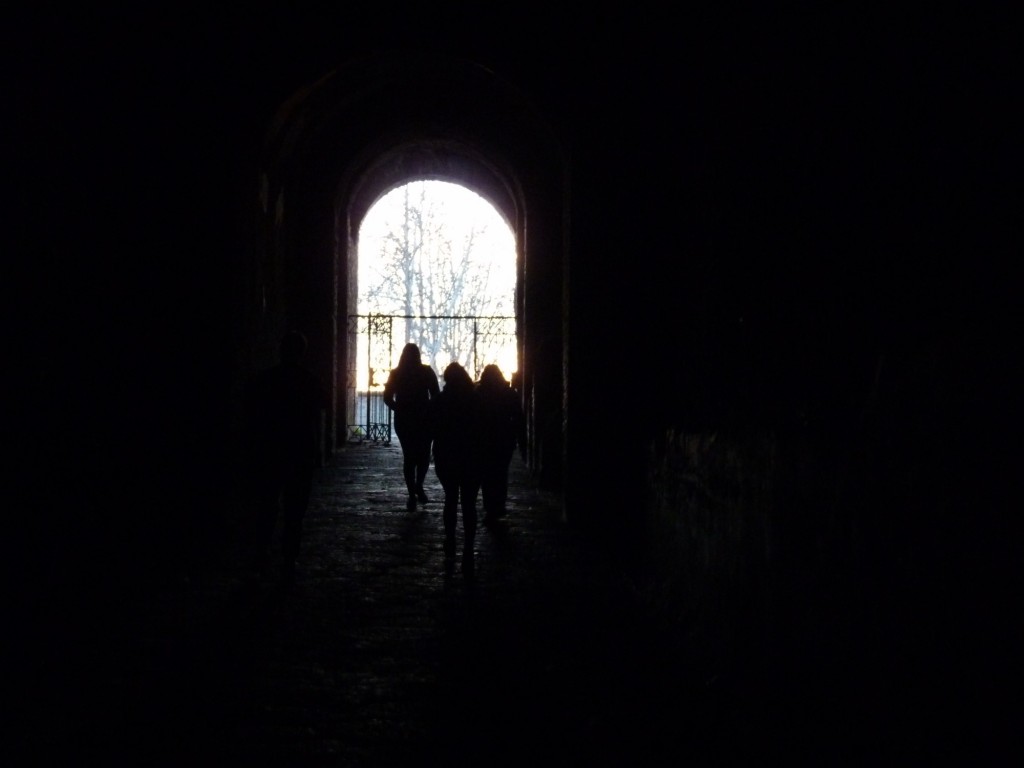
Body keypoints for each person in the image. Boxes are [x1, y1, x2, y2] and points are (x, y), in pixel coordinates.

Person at [245, 330, 326, 584]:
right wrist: (318, 450)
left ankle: (261, 554)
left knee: (266, 505)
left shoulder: (265, 380)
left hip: (270, 451)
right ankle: (289, 558)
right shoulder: (309, 381)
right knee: (295, 511)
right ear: (302, 353)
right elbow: (318, 413)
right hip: (299, 451)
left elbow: (253, 416)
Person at [431, 362, 481, 572]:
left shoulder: (440, 401)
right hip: (471, 455)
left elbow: (431, 427)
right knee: (469, 503)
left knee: (450, 498)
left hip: (447, 454)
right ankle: (468, 548)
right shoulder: (476, 400)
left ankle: (450, 540)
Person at [383, 342, 440, 511]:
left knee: (409, 457)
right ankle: (418, 486)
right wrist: (428, 409)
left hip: (404, 420)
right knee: (423, 456)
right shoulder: (426, 371)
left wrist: (399, 409)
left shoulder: (396, 373)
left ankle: (411, 494)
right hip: (424, 420)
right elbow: (436, 395)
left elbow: (387, 397)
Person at [474, 364, 526, 524]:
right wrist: (522, 442)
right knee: (501, 473)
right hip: (504, 439)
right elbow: (519, 418)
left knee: (486, 474)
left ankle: (489, 505)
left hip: (483, 439)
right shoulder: (509, 393)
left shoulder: (478, 394)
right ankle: (499, 504)